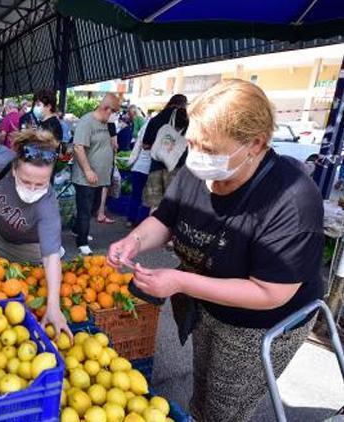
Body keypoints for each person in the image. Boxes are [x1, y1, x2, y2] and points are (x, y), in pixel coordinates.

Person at [108, 80, 323, 422]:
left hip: (257, 325)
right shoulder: (196, 169)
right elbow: (165, 218)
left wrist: (180, 281)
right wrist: (134, 241)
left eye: (208, 148)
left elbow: (270, 292)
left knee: (224, 409)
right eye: (193, 143)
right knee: (203, 390)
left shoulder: (291, 199)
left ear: (255, 144)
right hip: (207, 303)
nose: (196, 155)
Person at [0, 129, 72, 339]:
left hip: (29, 254)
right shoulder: (2, 161)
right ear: (14, 169)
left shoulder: (47, 207)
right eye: (26, 182)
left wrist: (53, 306)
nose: (32, 190)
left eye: (41, 184)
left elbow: (51, 256)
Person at [71, 93, 120, 255]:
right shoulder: (87, 122)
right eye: (113, 112)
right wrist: (87, 170)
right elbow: (78, 147)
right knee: (85, 209)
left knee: (92, 208)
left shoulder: (105, 123)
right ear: (106, 109)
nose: (114, 116)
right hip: (86, 177)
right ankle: (82, 241)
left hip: (100, 177)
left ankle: (77, 229)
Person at [141, 94, 189, 211]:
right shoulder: (187, 120)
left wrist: (160, 146)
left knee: (154, 204)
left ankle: (153, 228)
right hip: (176, 168)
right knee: (171, 205)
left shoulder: (156, 119)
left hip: (155, 167)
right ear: (184, 104)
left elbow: (145, 145)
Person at [125, 118, 151, 227]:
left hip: (138, 166)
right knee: (146, 197)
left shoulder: (146, 126)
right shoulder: (158, 127)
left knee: (136, 195)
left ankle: (131, 220)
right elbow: (145, 145)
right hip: (148, 167)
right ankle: (140, 222)